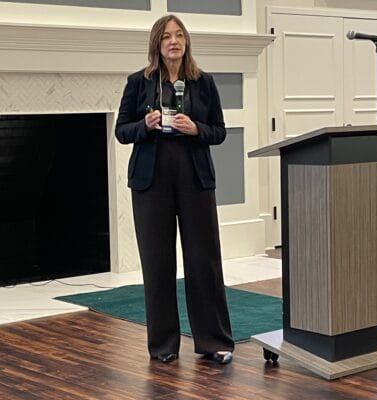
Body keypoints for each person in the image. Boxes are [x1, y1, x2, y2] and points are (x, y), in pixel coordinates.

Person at [115, 14, 234, 364]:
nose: (174, 41)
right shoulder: (138, 83)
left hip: (194, 181)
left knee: (203, 261)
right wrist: (144, 124)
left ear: (186, 42)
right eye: (167, 36)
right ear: (157, 43)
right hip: (151, 183)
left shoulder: (203, 83)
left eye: (179, 35)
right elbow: (121, 131)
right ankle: (163, 346)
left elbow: (219, 131)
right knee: (158, 264)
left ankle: (214, 342)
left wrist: (196, 129)